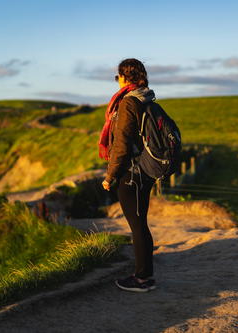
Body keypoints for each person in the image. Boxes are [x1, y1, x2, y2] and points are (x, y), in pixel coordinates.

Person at [99, 58, 157, 292]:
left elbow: (122, 143)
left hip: (132, 172)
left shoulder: (128, 102)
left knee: (137, 224)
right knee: (140, 222)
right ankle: (145, 274)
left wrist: (110, 176)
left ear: (124, 77)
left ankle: (142, 279)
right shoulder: (146, 96)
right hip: (145, 169)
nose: (117, 80)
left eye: (118, 76)